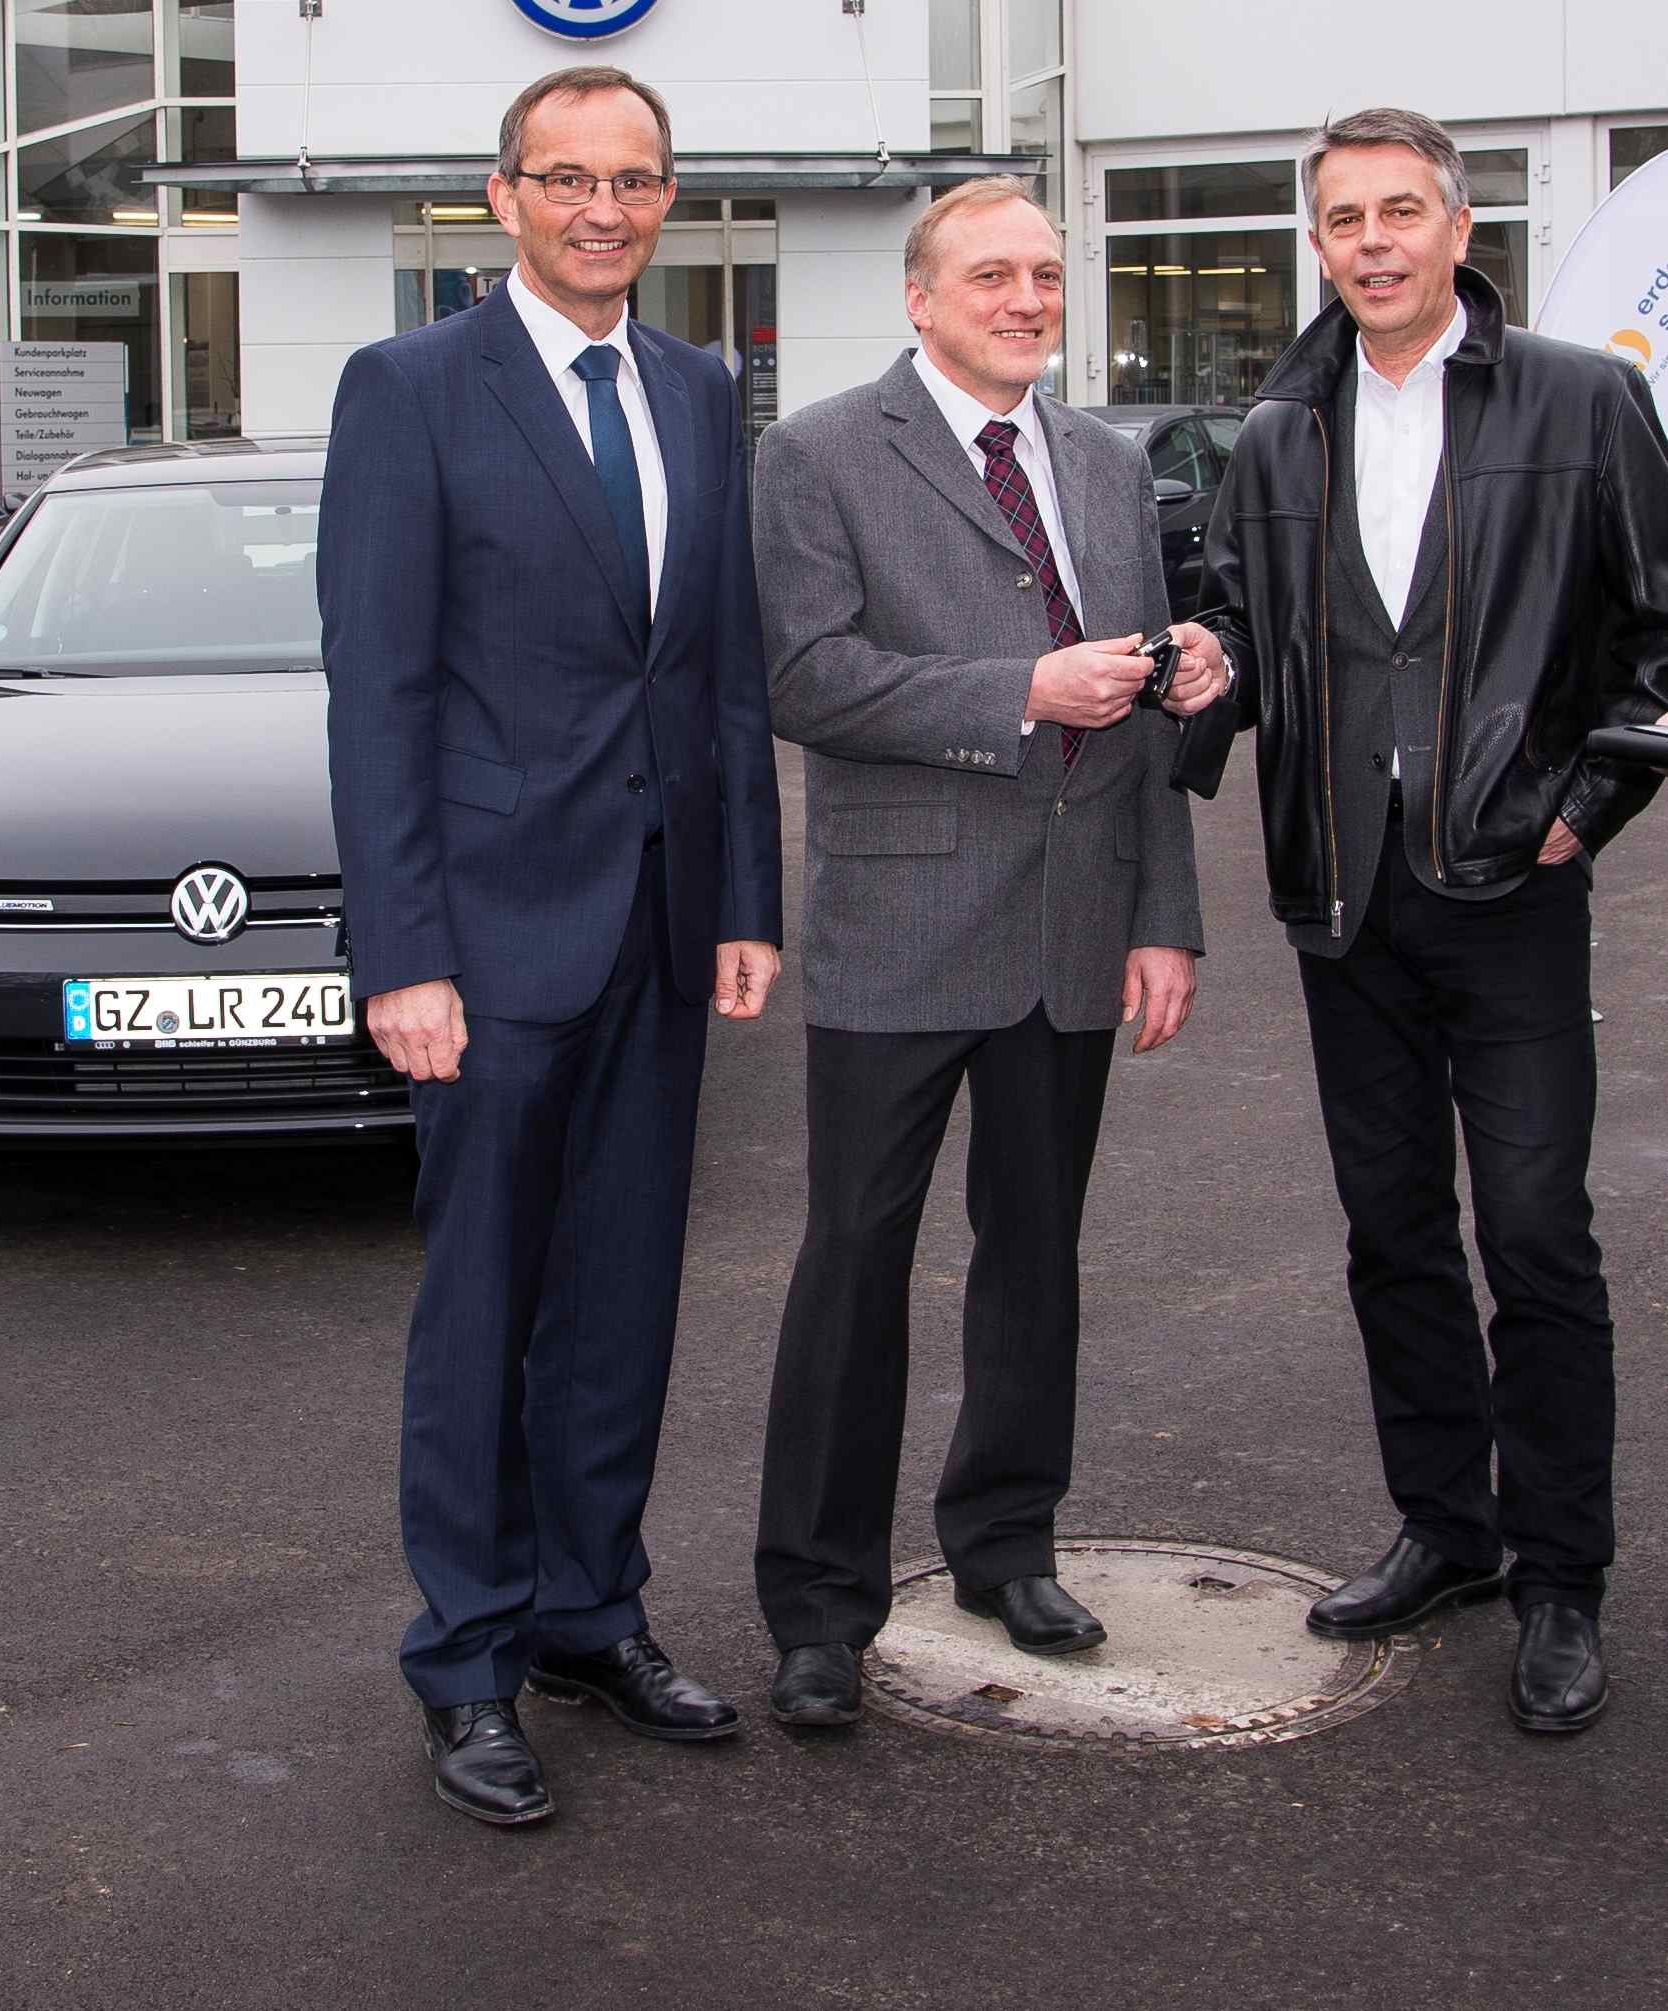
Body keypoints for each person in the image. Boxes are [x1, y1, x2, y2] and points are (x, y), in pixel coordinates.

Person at [320, 64, 783, 1829]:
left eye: (637, 180)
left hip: (662, 931)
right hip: (490, 945)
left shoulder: (692, 385)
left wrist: (745, 897)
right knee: (485, 1310)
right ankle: (469, 1657)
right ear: (501, 195)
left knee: (621, 1302)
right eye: (568, 179)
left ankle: (594, 1614)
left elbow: (720, 674)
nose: (605, 210)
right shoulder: (411, 389)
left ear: (671, 199)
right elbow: (382, 694)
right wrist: (403, 953)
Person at [1193, 108, 1668, 1735]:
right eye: (1344, 218)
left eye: (1405, 210)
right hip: (1342, 897)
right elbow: (1245, 630)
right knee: (1391, 1232)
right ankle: (1448, 1532)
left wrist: (1582, 808)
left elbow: (1658, 642)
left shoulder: (1584, 400)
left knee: (1534, 1236)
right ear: (1315, 244)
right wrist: (1209, 674)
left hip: (1509, 889)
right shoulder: (1274, 431)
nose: (1375, 241)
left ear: (1464, 230)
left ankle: (1560, 1577)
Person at [747, 176, 1221, 1729]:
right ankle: (820, 1608)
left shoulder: (1101, 461)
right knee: (854, 1261)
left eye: (1044, 275)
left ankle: (1006, 1543)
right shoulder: (817, 452)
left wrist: (1166, 916)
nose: (1025, 299)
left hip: (1075, 930)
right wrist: (1021, 690)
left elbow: (1145, 721)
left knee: (1036, 1255)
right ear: (921, 297)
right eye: (991, 276)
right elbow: (810, 680)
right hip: (900, 925)